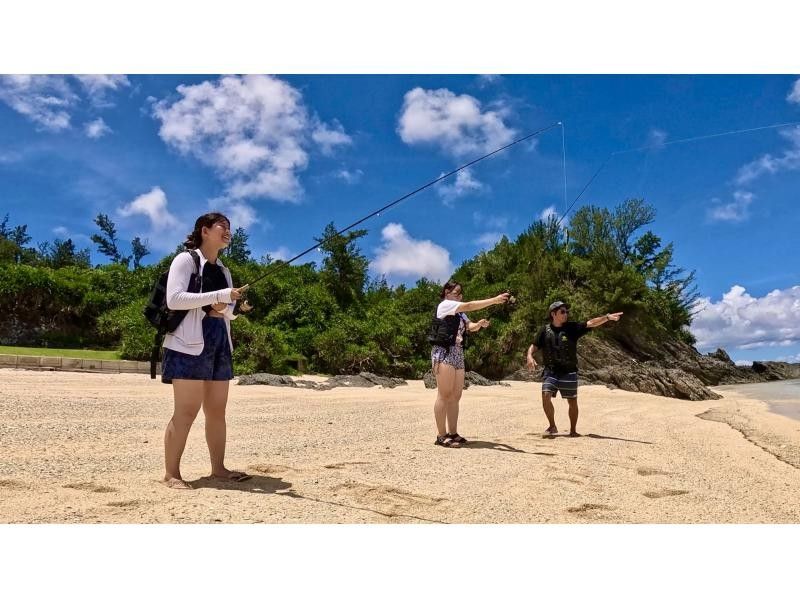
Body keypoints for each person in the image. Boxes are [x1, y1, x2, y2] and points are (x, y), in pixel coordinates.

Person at [160, 212, 250, 489]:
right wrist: (220, 297)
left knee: (217, 411)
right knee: (186, 411)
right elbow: (174, 300)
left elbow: (224, 310)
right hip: (187, 344)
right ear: (204, 230)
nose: (228, 232)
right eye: (223, 226)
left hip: (218, 341)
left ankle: (218, 469)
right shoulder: (185, 260)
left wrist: (231, 307)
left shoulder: (223, 270)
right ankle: (171, 474)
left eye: (229, 228)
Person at [430, 281, 511, 447]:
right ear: (447, 292)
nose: (460, 296)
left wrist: (479, 324)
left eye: (461, 293)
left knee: (455, 396)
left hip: (458, 352)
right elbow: (468, 305)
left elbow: (470, 327)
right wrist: (494, 300)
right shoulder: (445, 305)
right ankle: (441, 435)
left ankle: (453, 433)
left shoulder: (460, 314)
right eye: (456, 292)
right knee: (444, 394)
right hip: (444, 351)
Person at [526, 301, 623, 437]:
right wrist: (529, 356)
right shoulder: (544, 330)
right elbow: (534, 345)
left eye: (567, 312)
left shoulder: (572, 328)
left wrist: (606, 317)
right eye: (562, 312)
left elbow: (591, 323)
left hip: (569, 372)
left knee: (572, 401)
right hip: (551, 371)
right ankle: (552, 426)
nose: (566, 314)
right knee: (546, 395)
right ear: (553, 314)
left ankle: (573, 430)